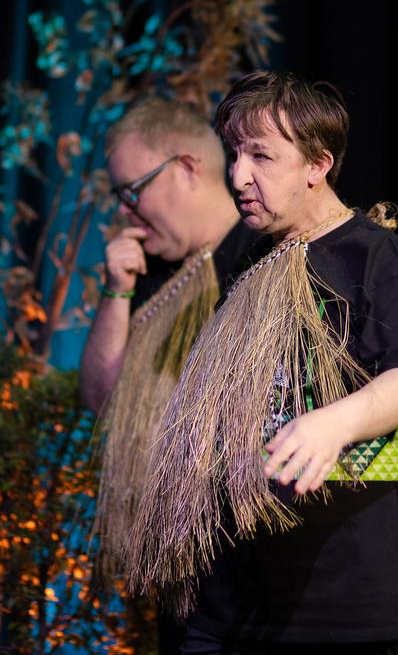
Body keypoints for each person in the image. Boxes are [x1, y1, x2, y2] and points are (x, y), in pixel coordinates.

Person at [125, 72, 398, 654]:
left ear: (317, 164)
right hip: (230, 604)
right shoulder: (249, 264)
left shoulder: (375, 257)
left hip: (338, 604)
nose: (238, 176)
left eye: (261, 155)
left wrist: (332, 422)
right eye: (234, 154)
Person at [79, 96, 260, 654]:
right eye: (118, 197)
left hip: (257, 571)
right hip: (184, 582)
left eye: (133, 191)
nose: (126, 211)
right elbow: (103, 400)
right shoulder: (153, 273)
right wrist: (117, 292)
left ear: (186, 168)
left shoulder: (263, 259)